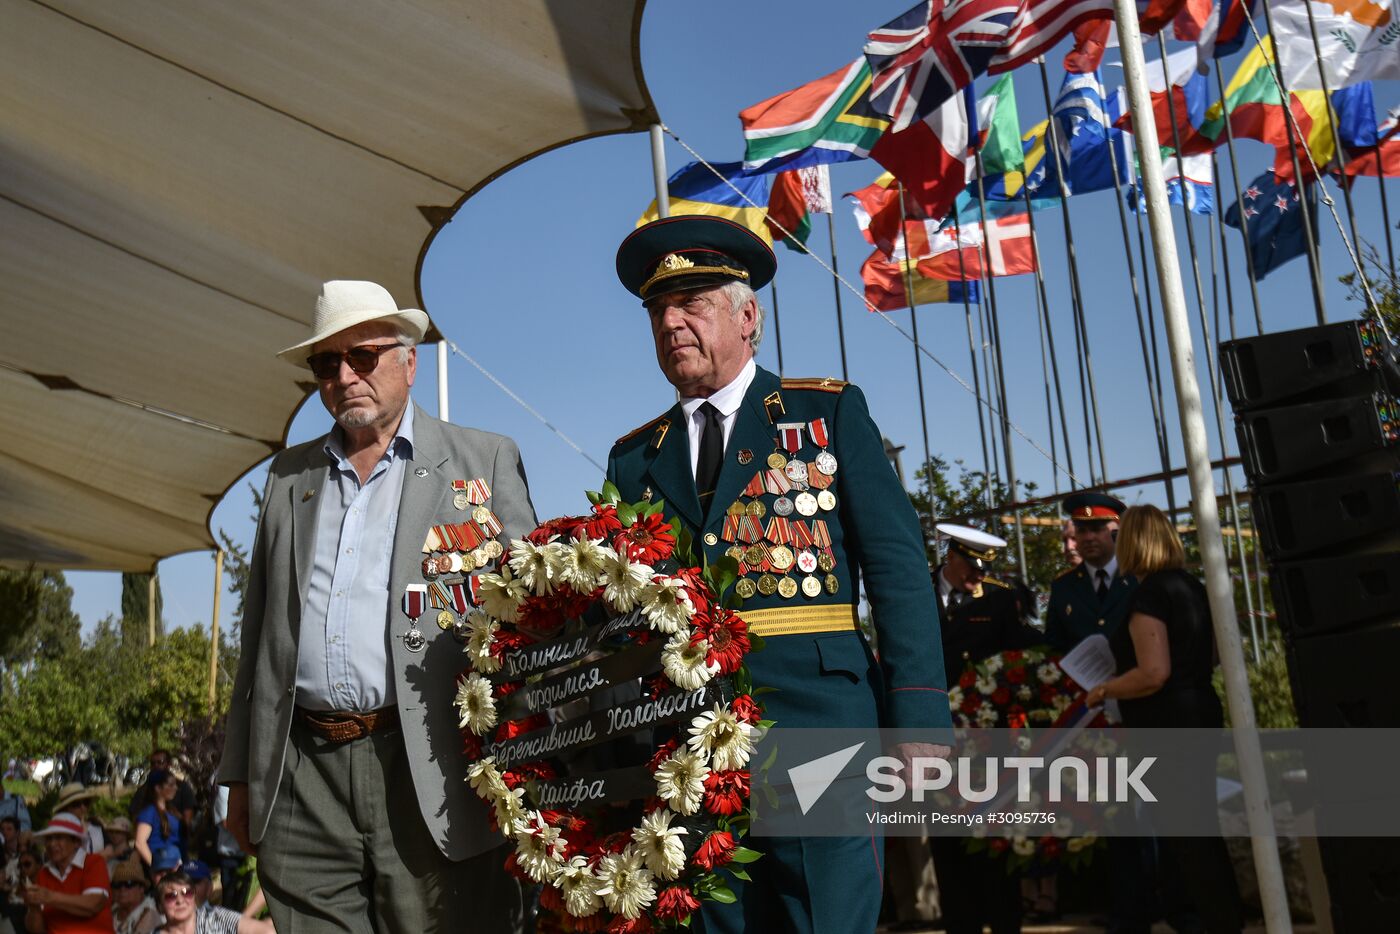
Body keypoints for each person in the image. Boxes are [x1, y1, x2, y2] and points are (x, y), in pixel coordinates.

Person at [609, 216, 953, 933]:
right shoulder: (636, 457)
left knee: (824, 917)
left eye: (692, 303)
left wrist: (919, 713)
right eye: (656, 311)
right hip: (689, 745)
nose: (671, 323)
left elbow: (897, 569)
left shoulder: (823, 413)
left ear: (748, 315)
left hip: (818, 724)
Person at [217, 280, 536, 932]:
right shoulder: (287, 479)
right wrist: (241, 776)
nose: (343, 376)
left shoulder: (484, 460)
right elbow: (259, 642)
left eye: (361, 356)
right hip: (304, 775)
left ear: (408, 362)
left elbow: (532, 623)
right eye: (325, 363)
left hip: (429, 765)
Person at [1085, 505, 1244, 933]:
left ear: (1132, 541)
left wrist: (1105, 689)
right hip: (1198, 711)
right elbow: (1212, 654)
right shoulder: (1190, 585)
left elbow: (1154, 672)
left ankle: (1215, 922)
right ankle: (1223, 919)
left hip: (1167, 726)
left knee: (1188, 840)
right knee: (1200, 833)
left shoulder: (1151, 593)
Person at [927, 524, 1040, 934]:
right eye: (972, 568)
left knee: (994, 844)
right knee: (949, 848)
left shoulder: (998, 599)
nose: (977, 578)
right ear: (950, 555)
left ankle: (1007, 924)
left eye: (982, 570)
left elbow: (1019, 659)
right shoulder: (917, 592)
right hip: (933, 738)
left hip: (985, 743)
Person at [1045, 493, 1136, 653]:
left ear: (1116, 532)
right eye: (1081, 530)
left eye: (1097, 529)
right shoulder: (1063, 587)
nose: (1088, 537)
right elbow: (1054, 647)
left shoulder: (1138, 577)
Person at [22, 812, 113, 933]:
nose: (52, 844)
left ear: (76, 842)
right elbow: (38, 930)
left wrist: (50, 897)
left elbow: (93, 904)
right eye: (49, 838)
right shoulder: (43, 873)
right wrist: (33, 907)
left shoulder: (94, 862)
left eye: (59, 837)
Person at [152, 872, 273, 934]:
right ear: (160, 906)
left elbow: (267, 932)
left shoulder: (215, 918)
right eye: (171, 896)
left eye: (186, 893)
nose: (180, 900)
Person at [134, 772, 183, 868]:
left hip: (175, 863)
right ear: (158, 788)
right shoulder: (149, 813)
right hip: (161, 865)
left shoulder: (172, 811)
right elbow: (140, 843)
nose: (175, 788)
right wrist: (157, 868)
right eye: (171, 785)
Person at [50, 787, 103, 857]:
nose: (83, 808)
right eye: (76, 804)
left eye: (85, 802)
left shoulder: (97, 827)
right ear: (66, 808)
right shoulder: (58, 830)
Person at [110, 860, 159, 934]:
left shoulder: (150, 913)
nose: (122, 889)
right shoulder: (112, 911)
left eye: (129, 884)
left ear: (141, 888)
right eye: (117, 885)